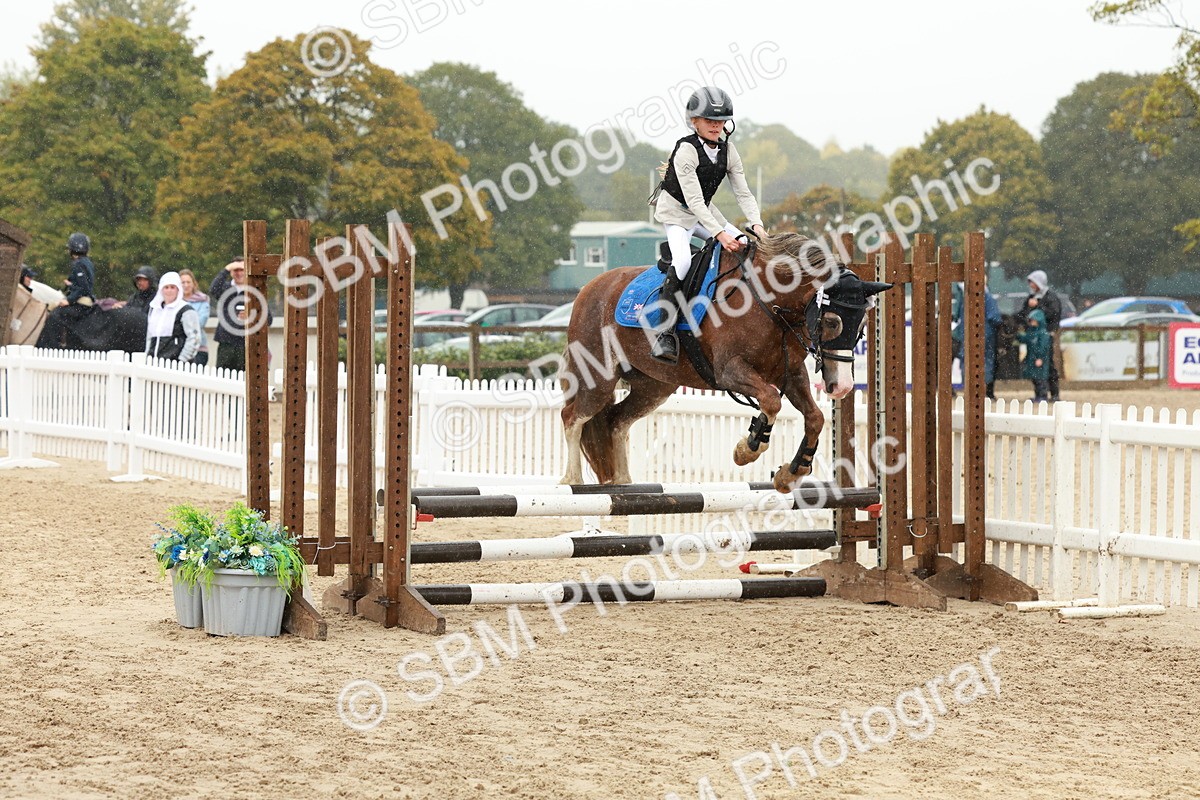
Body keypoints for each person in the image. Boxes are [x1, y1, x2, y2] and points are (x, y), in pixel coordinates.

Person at [649, 85, 767, 363]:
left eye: (721, 121)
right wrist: (718, 234)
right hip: (678, 213)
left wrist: (757, 224)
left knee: (748, 246)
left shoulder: (729, 150)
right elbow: (693, 201)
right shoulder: (686, 150)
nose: (716, 126)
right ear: (694, 122)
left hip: (705, 211)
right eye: (710, 121)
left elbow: (743, 192)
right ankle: (664, 332)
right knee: (682, 262)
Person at [36, 232, 96, 349]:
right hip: (84, 299)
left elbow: (83, 288)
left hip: (81, 302)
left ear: (72, 249)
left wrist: (69, 300)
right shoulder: (86, 262)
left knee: (55, 316)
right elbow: (83, 283)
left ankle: (51, 347)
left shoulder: (78, 264)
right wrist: (71, 284)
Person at [209, 258, 270, 372]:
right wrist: (226, 269)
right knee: (222, 378)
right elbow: (213, 289)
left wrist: (252, 316)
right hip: (226, 343)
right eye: (235, 270)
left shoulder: (255, 291)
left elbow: (268, 319)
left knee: (246, 379)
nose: (239, 273)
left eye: (242, 270)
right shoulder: (224, 289)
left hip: (248, 344)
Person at [1018, 270, 1063, 401]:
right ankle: (1039, 393)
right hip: (1033, 337)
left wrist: (1039, 306)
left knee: (1049, 365)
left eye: (1033, 282)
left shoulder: (1050, 297)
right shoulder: (1031, 297)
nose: (1031, 285)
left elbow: (1054, 314)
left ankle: (1054, 394)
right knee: (1034, 365)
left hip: (1047, 336)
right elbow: (1023, 314)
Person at [145, 271, 200, 362]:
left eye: (172, 287)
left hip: (175, 364)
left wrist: (182, 360)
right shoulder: (155, 309)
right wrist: (147, 356)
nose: (169, 290)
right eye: (166, 287)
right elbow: (149, 337)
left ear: (178, 289)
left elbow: (194, 338)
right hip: (154, 363)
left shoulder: (186, 310)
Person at [1017, 309, 1052, 402]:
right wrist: (1017, 335)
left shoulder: (1043, 333)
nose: (1031, 322)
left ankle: (1043, 396)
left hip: (1039, 360)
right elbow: (1025, 339)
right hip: (1031, 359)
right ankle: (1038, 395)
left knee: (1041, 379)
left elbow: (1043, 347)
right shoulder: (1031, 332)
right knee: (1035, 379)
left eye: (1033, 320)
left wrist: (1040, 358)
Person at [179, 269, 211, 366]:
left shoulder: (202, 300)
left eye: (188, 282)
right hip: (178, 347)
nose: (186, 285)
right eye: (183, 282)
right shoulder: (174, 302)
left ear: (193, 283)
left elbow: (200, 322)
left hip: (199, 348)